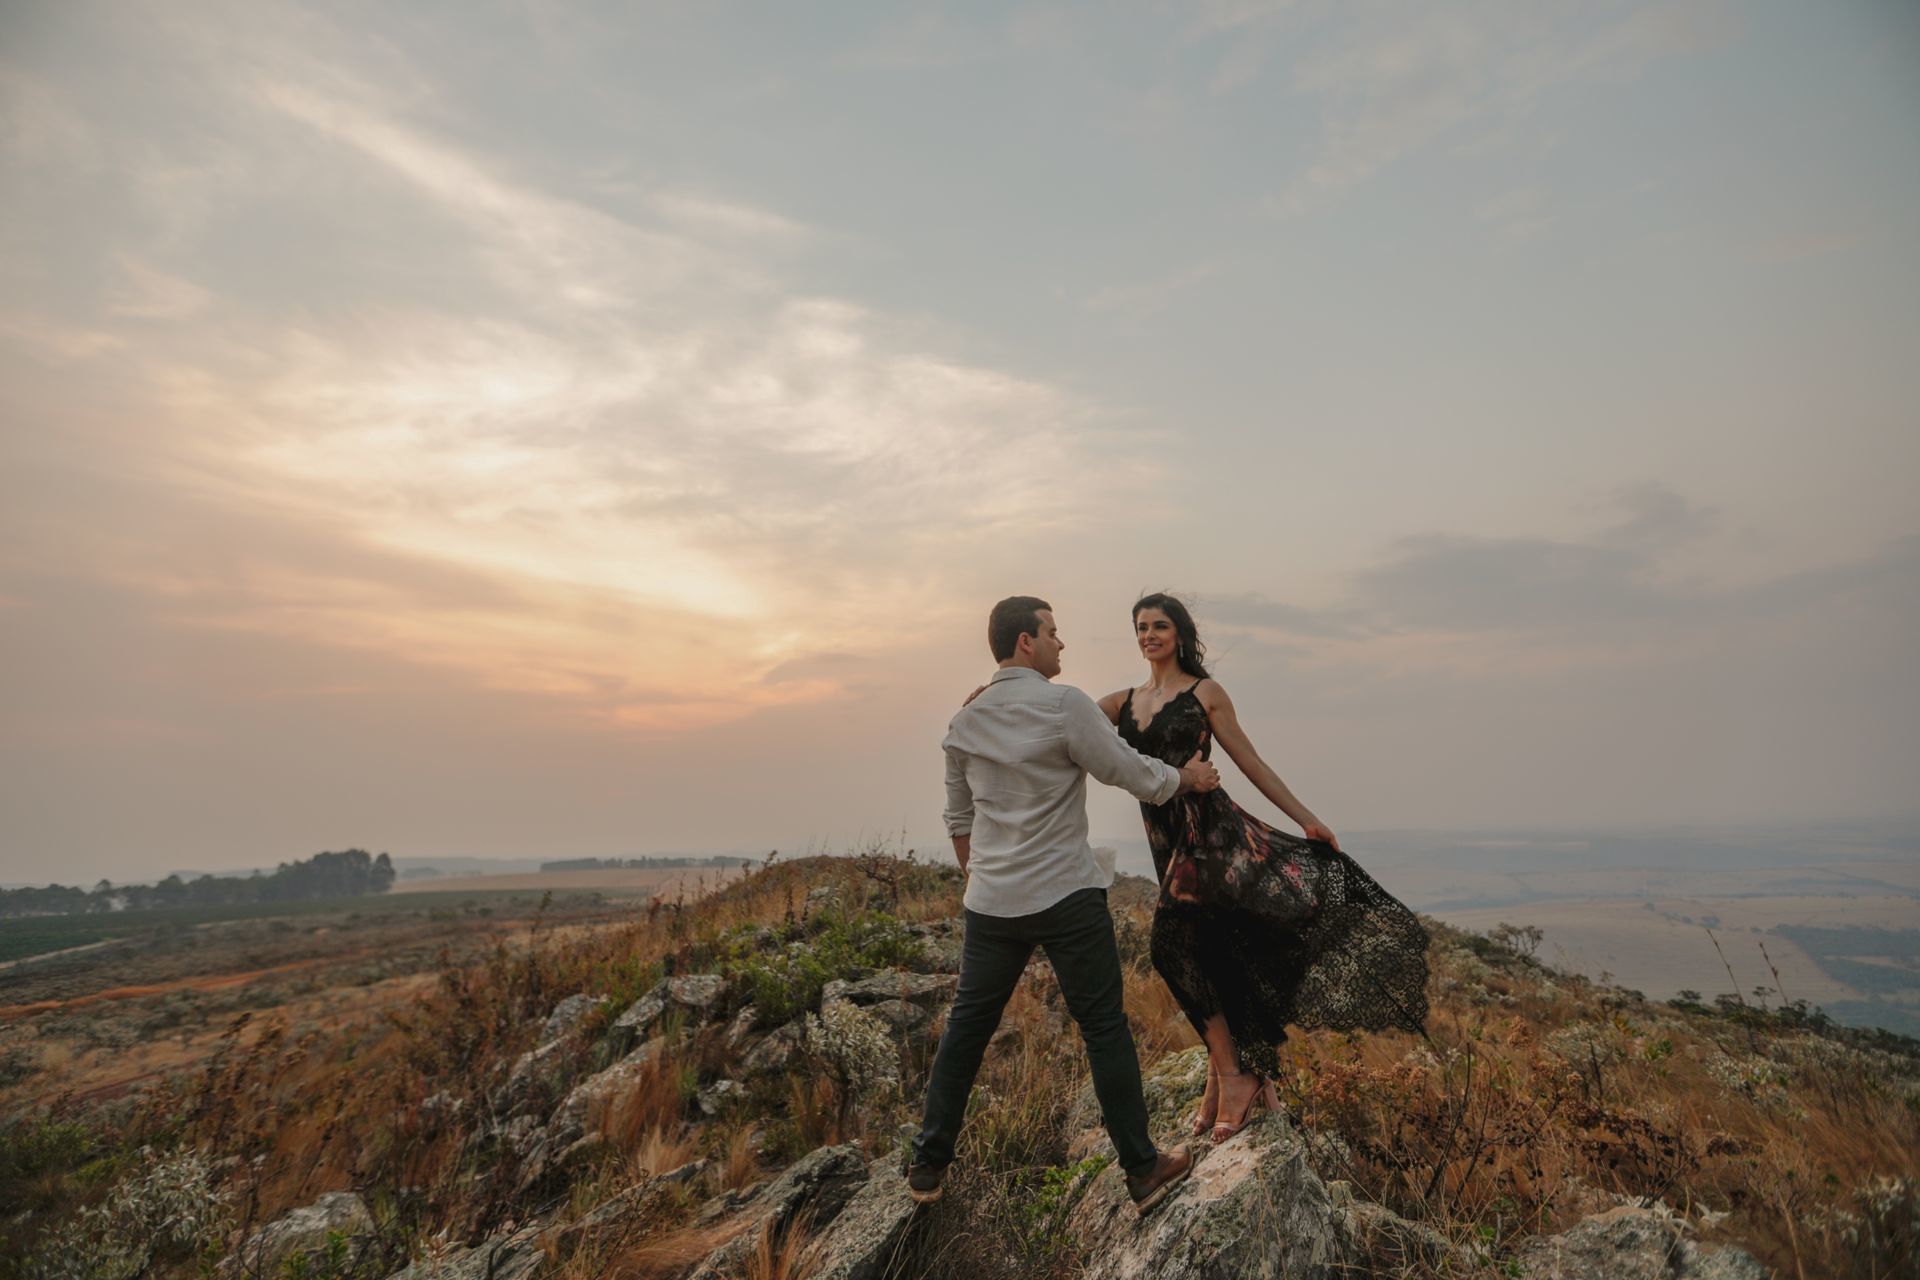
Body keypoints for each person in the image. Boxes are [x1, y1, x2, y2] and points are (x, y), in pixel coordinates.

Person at [908, 596, 1220, 1215]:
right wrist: (1188, 779)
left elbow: (958, 816)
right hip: (1066, 895)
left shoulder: (964, 720)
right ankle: (1142, 1168)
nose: (1061, 644)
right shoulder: (1063, 704)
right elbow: (1128, 771)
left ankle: (927, 1166)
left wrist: (988, 881)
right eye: (1052, 632)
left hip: (992, 904)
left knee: (966, 1031)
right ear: (1027, 642)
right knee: (1103, 1027)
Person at [1101, 592, 1429, 1144]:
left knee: (1168, 946)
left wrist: (1307, 820)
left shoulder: (1205, 693)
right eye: (1140, 627)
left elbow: (1251, 762)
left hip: (1212, 837)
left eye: (1159, 625)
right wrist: (999, 688)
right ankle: (1224, 1077)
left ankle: (1238, 1075)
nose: (1149, 634)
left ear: (1179, 634)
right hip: (1167, 842)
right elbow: (1058, 713)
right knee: (1210, 956)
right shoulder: (1122, 702)